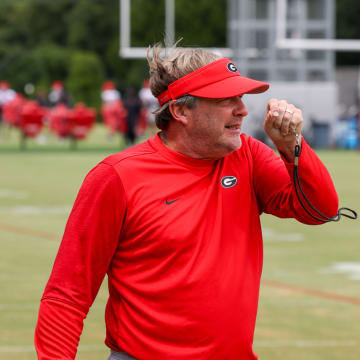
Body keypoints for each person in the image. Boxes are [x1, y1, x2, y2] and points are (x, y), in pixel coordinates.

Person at [34, 44, 339, 360]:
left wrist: (293, 147)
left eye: (241, 97)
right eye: (226, 100)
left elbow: (319, 210)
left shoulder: (248, 155)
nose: (242, 109)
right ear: (180, 111)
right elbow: (66, 295)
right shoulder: (117, 176)